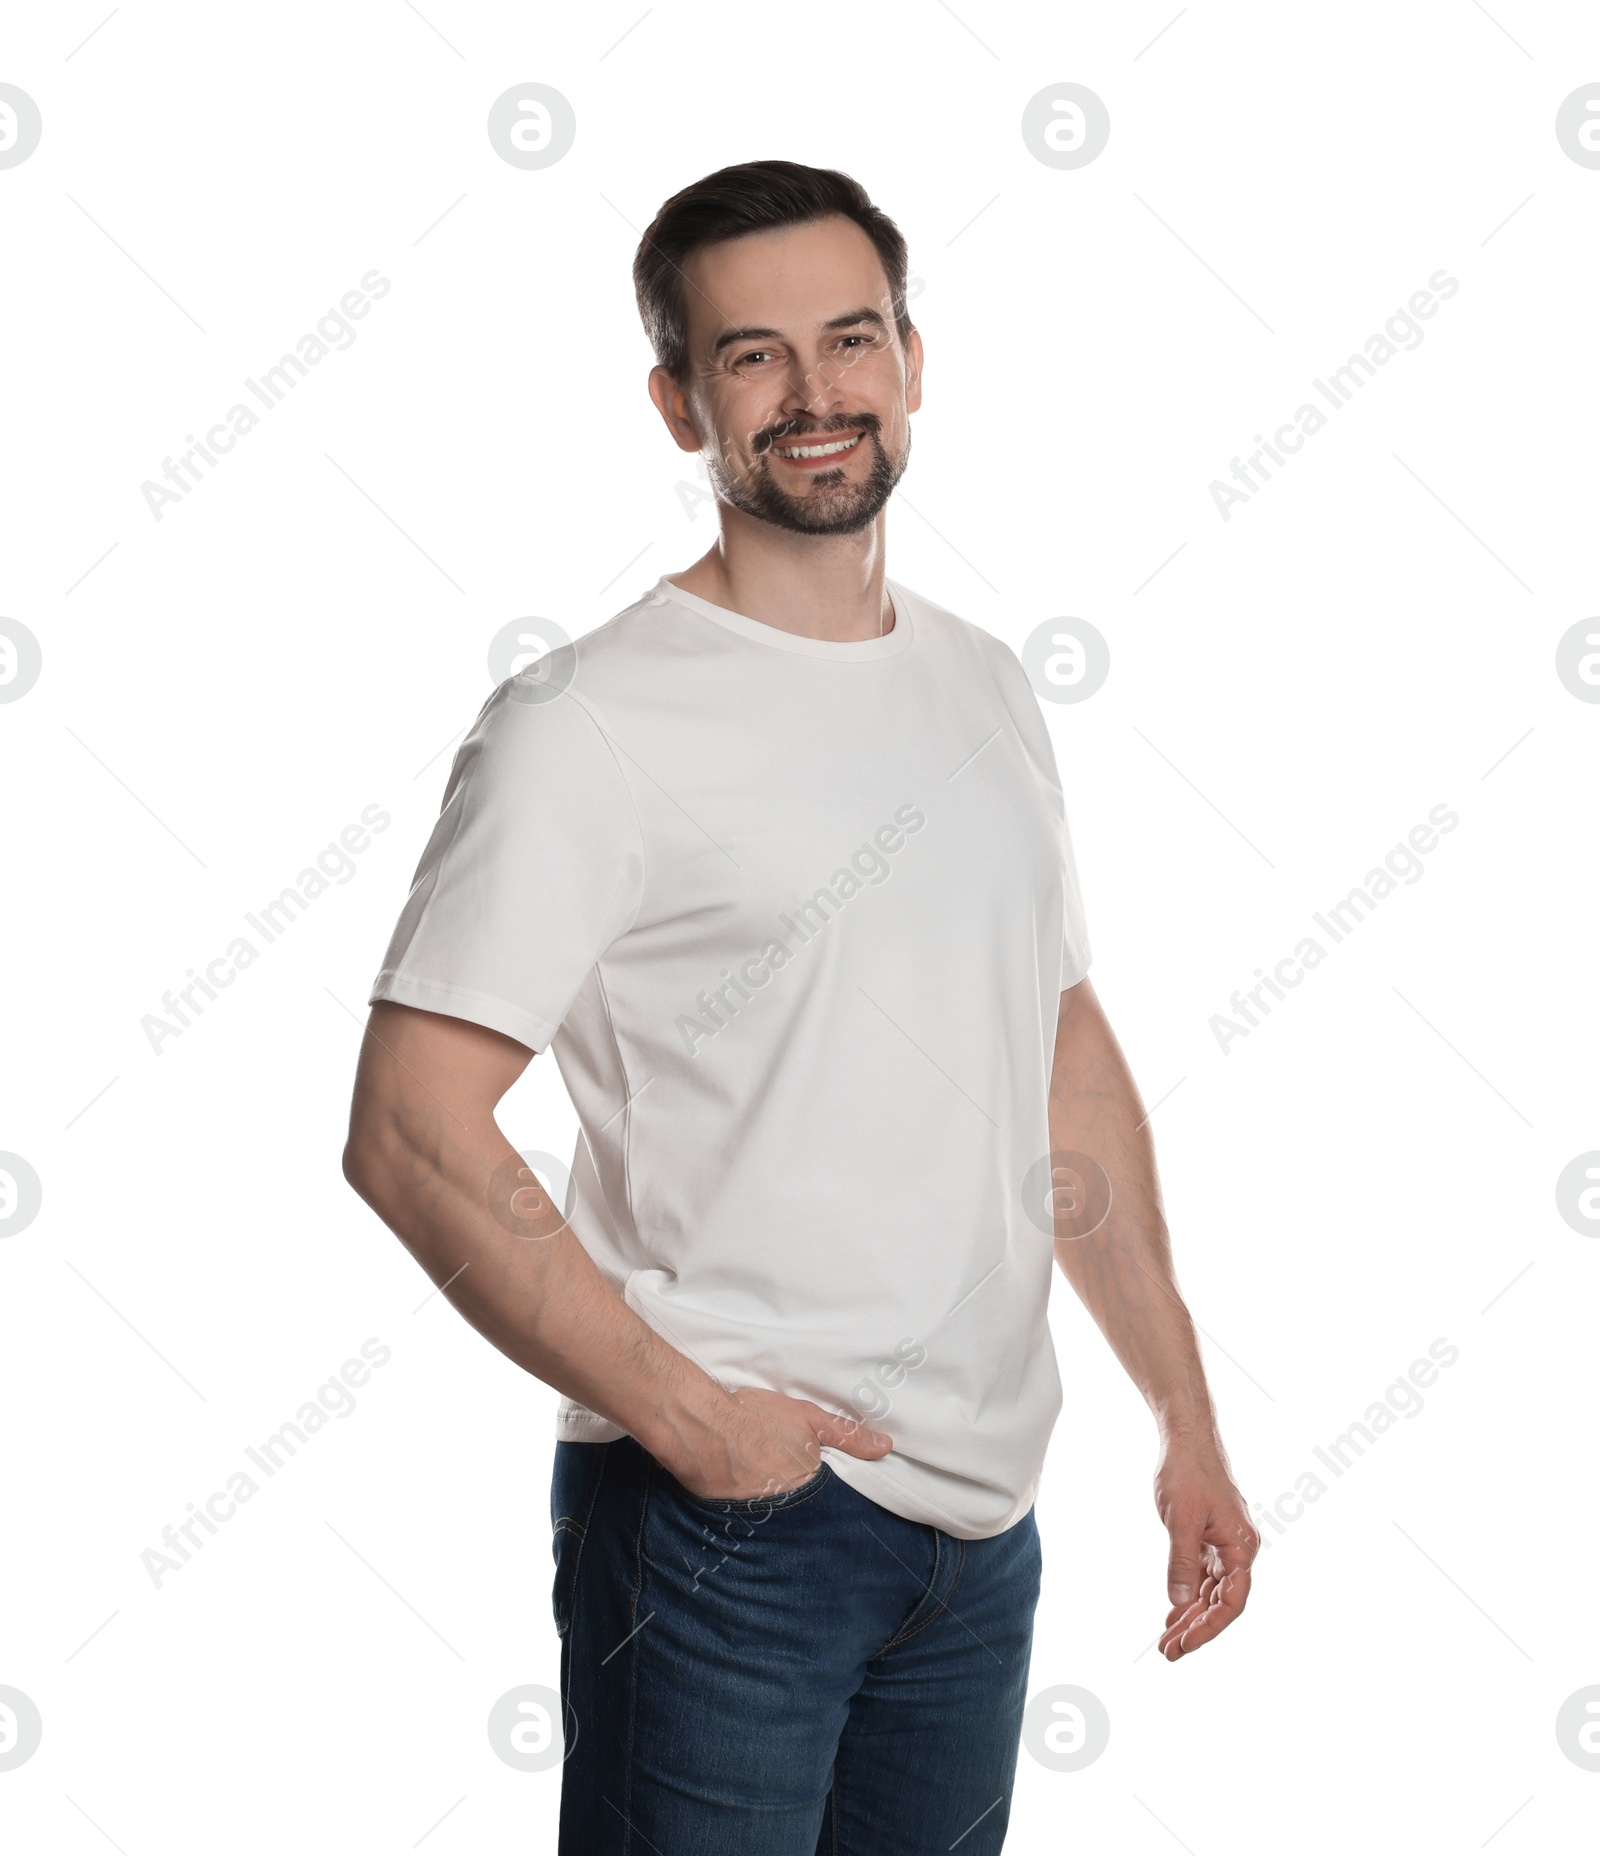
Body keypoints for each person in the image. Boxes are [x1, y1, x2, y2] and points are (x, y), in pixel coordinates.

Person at [342, 158, 1258, 1856]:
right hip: (725, 1525)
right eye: (753, 357)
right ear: (676, 400)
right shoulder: (588, 725)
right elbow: (409, 1129)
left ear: (914, 356)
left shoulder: (988, 685)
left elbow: (1058, 1066)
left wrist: (1183, 1417)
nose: (817, 394)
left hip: (982, 1525)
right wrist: (692, 1420)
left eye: (850, 340)